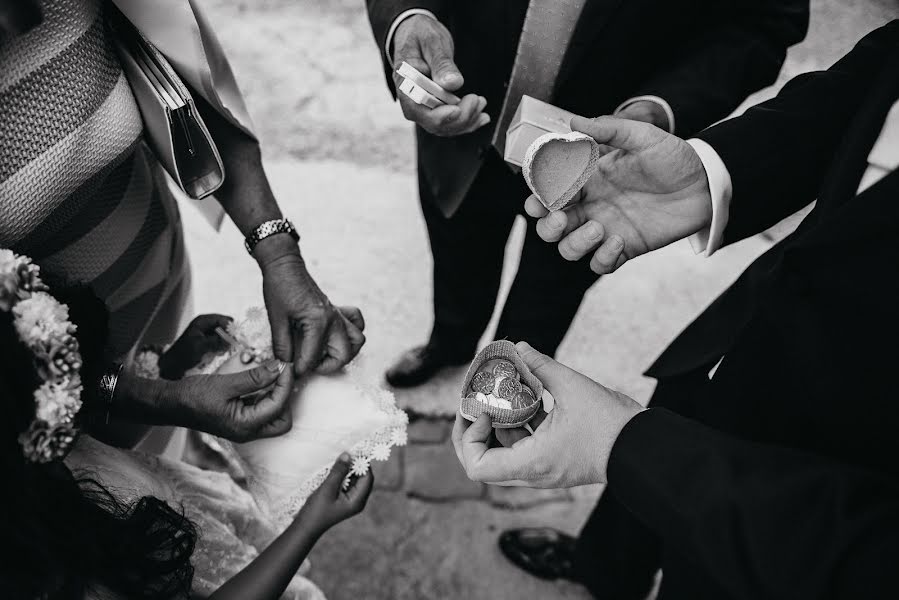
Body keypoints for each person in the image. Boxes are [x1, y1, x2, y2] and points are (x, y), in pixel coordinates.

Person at [455, 20, 899, 599]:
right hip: (752, 331)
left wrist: (620, 447)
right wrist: (708, 174)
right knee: (667, 451)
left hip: (813, 511)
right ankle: (605, 568)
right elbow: (872, 86)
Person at [366, 0, 809, 388]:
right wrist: (407, 18)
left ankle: (505, 382)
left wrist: (660, 108)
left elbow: (761, 22)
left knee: (547, 297)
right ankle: (450, 346)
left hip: (599, 165)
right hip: (461, 129)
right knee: (457, 261)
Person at [0, 0, 364, 450]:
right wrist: (160, 395)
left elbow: (186, 82)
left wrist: (280, 254)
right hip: (36, 402)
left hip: (158, 289)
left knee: (170, 453)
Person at [0, 260, 373, 599]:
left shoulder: (35, 443)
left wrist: (172, 368)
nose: (78, 413)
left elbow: (111, 445)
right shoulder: (48, 571)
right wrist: (306, 527)